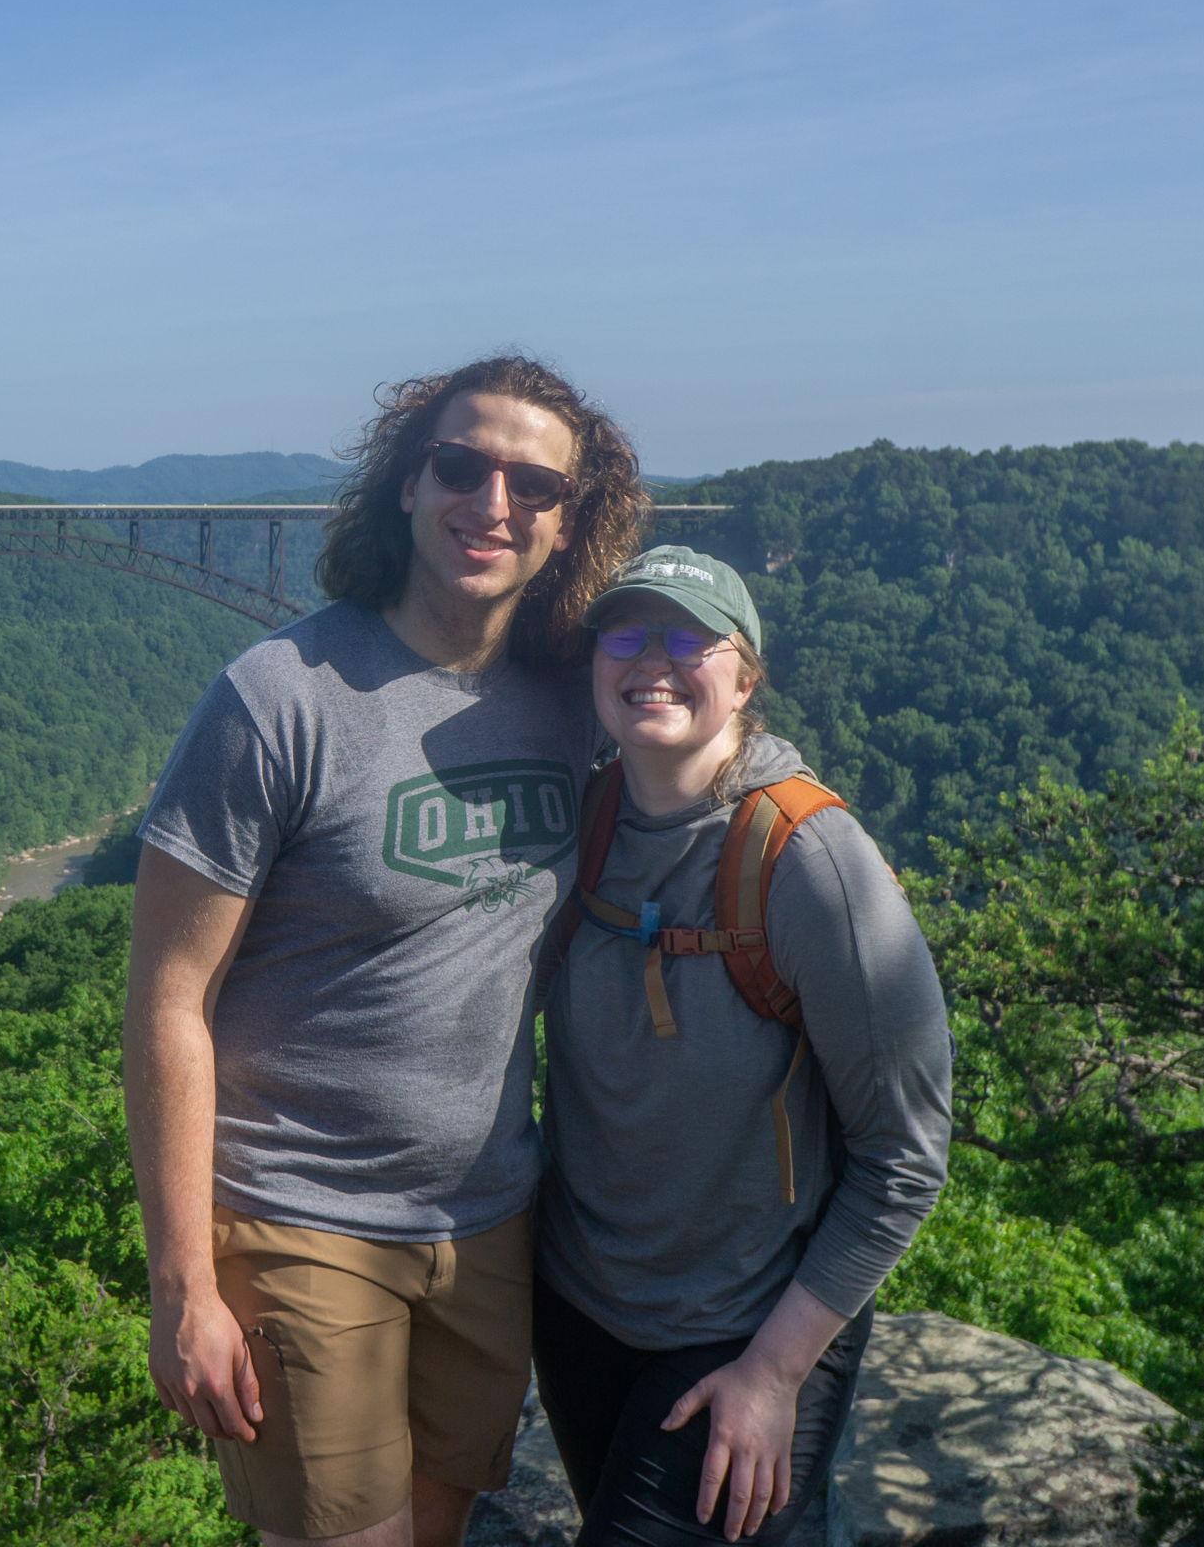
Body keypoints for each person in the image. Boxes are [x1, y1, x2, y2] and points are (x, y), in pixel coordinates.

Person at [124, 354, 648, 1547]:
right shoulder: (278, 698)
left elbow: (709, 732)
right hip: (299, 1214)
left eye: (533, 483)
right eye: (460, 466)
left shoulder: (577, 698)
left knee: (436, 1526)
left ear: (572, 521)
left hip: (486, 1221)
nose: (493, 502)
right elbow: (167, 999)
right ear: (406, 485)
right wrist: (183, 1288)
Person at [534, 546, 953, 1546]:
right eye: (625, 633)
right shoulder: (582, 815)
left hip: (739, 1325)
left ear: (745, 672)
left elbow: (904, 1152)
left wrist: (772, 1373)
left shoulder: (809, 860)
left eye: (689, 637)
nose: (652, 660)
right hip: (580, 1312)